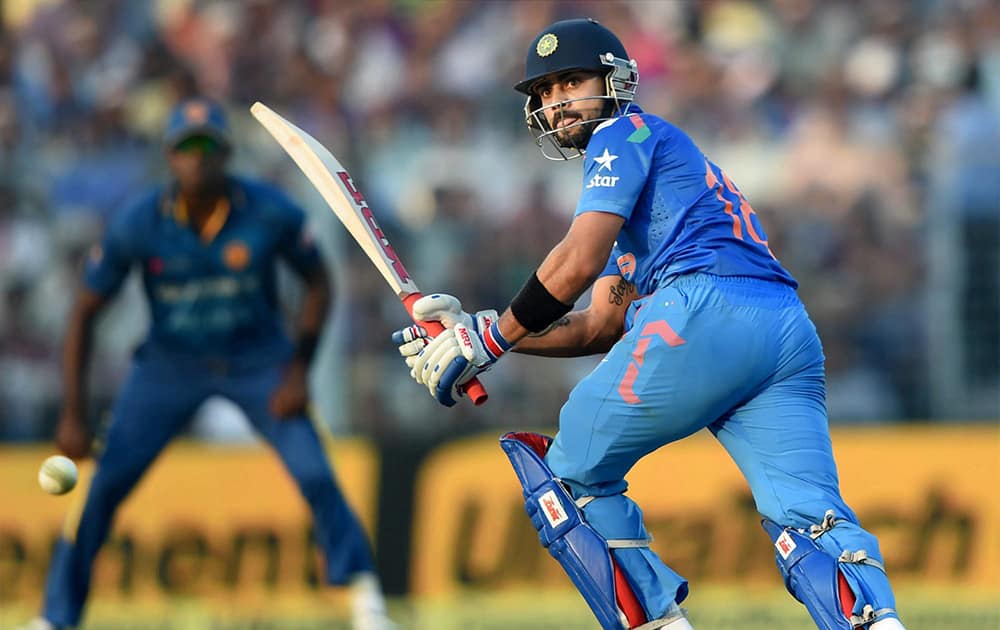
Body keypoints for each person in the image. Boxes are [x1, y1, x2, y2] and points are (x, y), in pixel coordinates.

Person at [394, 18, 906, 630]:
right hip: (783, 331)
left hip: (703, 310)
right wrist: (476, 329)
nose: (557, 103)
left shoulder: (622, 133)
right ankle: (875, 623)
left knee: (570, 474)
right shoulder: (656, 185)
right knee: (810, 519)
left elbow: (576, 261)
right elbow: (598, 327)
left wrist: (490, 339)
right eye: (546, 92)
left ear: (615, 82)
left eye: (571, 82)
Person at [21, 98, 393, 630]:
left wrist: (298, 371)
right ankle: (55, 617)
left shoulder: (268, 211)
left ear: (226, 155)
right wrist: (72, 413)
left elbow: (319, 282)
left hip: (258, 361)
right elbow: (83, 312)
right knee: (103, 488)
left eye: (207, 148)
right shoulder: (140, 221)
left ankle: (368, 604)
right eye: (185, 149)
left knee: (315, 473)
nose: (197, 159)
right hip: (169, 366)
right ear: (170, 157)